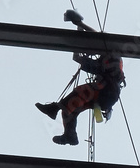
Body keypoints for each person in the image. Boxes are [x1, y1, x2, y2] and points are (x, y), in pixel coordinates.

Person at [36, 10, 125, 146]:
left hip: (107, 91)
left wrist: (80, 24)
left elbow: (98, 39)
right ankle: (69, 135)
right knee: (69, 110)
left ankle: (54, 108)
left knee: (79, 92)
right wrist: (79, 39)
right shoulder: (101, 65)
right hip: (104, 97)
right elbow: (77, 58)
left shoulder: (111, 54)